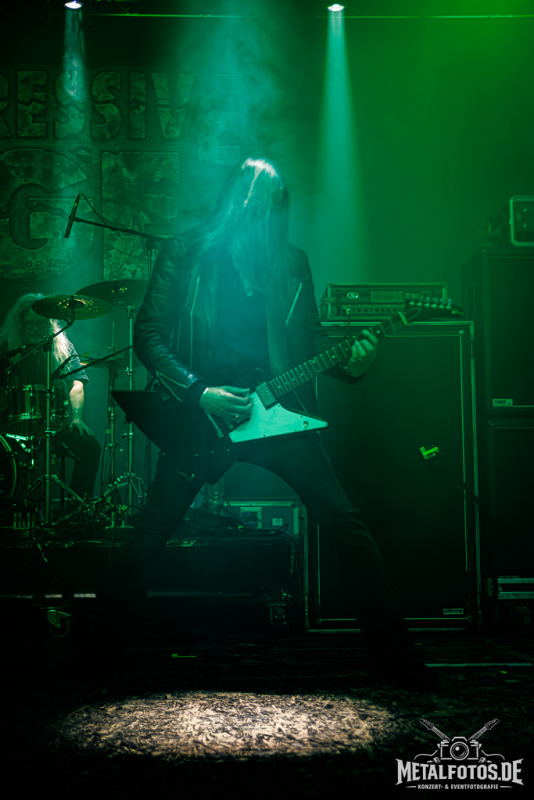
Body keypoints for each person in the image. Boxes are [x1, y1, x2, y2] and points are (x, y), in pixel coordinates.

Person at [100, 158, 437, 690]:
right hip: (204, 418)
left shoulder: (290, 262)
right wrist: (200, 392)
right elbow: (149, 337)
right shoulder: (186, 252)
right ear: (234, 195)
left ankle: (399, 661)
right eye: (253, 192)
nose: (259, 203)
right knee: (149, 534)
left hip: (278, 413)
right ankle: (95, 660)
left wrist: (355, 361)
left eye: (272, 197)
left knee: (345, 524)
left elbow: (311, 339)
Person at [0, 293, 101, 501]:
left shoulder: (63, 346)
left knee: (90, 447)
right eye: (30, 323)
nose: (35, 328)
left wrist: (76, 418)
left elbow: (77, 383)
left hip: (53, 423)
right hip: (10, 423)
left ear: (50, 323)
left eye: (41, 323)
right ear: (19, 323)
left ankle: (76, 510)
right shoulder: (6, 346)